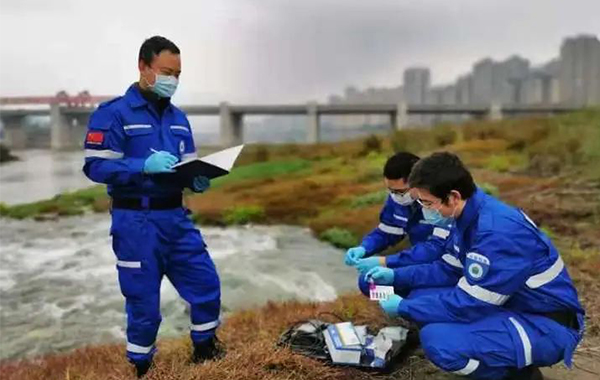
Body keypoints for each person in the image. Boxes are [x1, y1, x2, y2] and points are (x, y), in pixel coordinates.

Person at [370, 152, 584, 380]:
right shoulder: (467, 217)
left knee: (438, 341)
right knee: (421, 297)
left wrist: (404, 307)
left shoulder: (495, 233)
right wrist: (395, 276)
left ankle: (516, 375)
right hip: (510, 304)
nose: (423, 209)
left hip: (545, 324)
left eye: (427, 202)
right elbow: (447, 270)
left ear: (453, 197)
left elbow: (469, 304)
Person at [82, 36, 223, 377]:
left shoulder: (179, 119)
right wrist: (141, 166)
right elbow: (95, 166)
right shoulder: (112, 114)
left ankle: (205, 352)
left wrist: (195, 178)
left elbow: (186, 165)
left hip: (176, 217)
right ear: (143, 67)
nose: (172, 80)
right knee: (144, 304)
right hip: (135, 221)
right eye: (165, 71)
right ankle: (141, 367)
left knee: (206, 284)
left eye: (177, 74)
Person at [342, 152, 451, 296]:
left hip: (442, 266)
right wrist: (364, 248)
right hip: (415, 263)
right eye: (390, 191)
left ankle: (412, 302)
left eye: (400, 191)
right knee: (368, 282)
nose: (395, 196)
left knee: (418, 295)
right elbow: (387, 231)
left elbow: (433, 250)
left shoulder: (442, 202)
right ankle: (401, 302)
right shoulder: (398, 200)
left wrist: (385, 261)